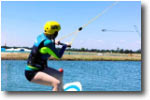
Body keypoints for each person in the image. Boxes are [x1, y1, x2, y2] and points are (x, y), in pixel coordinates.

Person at [25, 21, 71, 91]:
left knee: (59, 75)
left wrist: (54, 42)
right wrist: (64, 46)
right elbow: (58, 56)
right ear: (55, 33)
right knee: (57, 83)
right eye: (57, 32)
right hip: (32, 72)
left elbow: (45, 46)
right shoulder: (48, 43)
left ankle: (60, 91)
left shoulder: (40, 36)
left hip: (41, 68)